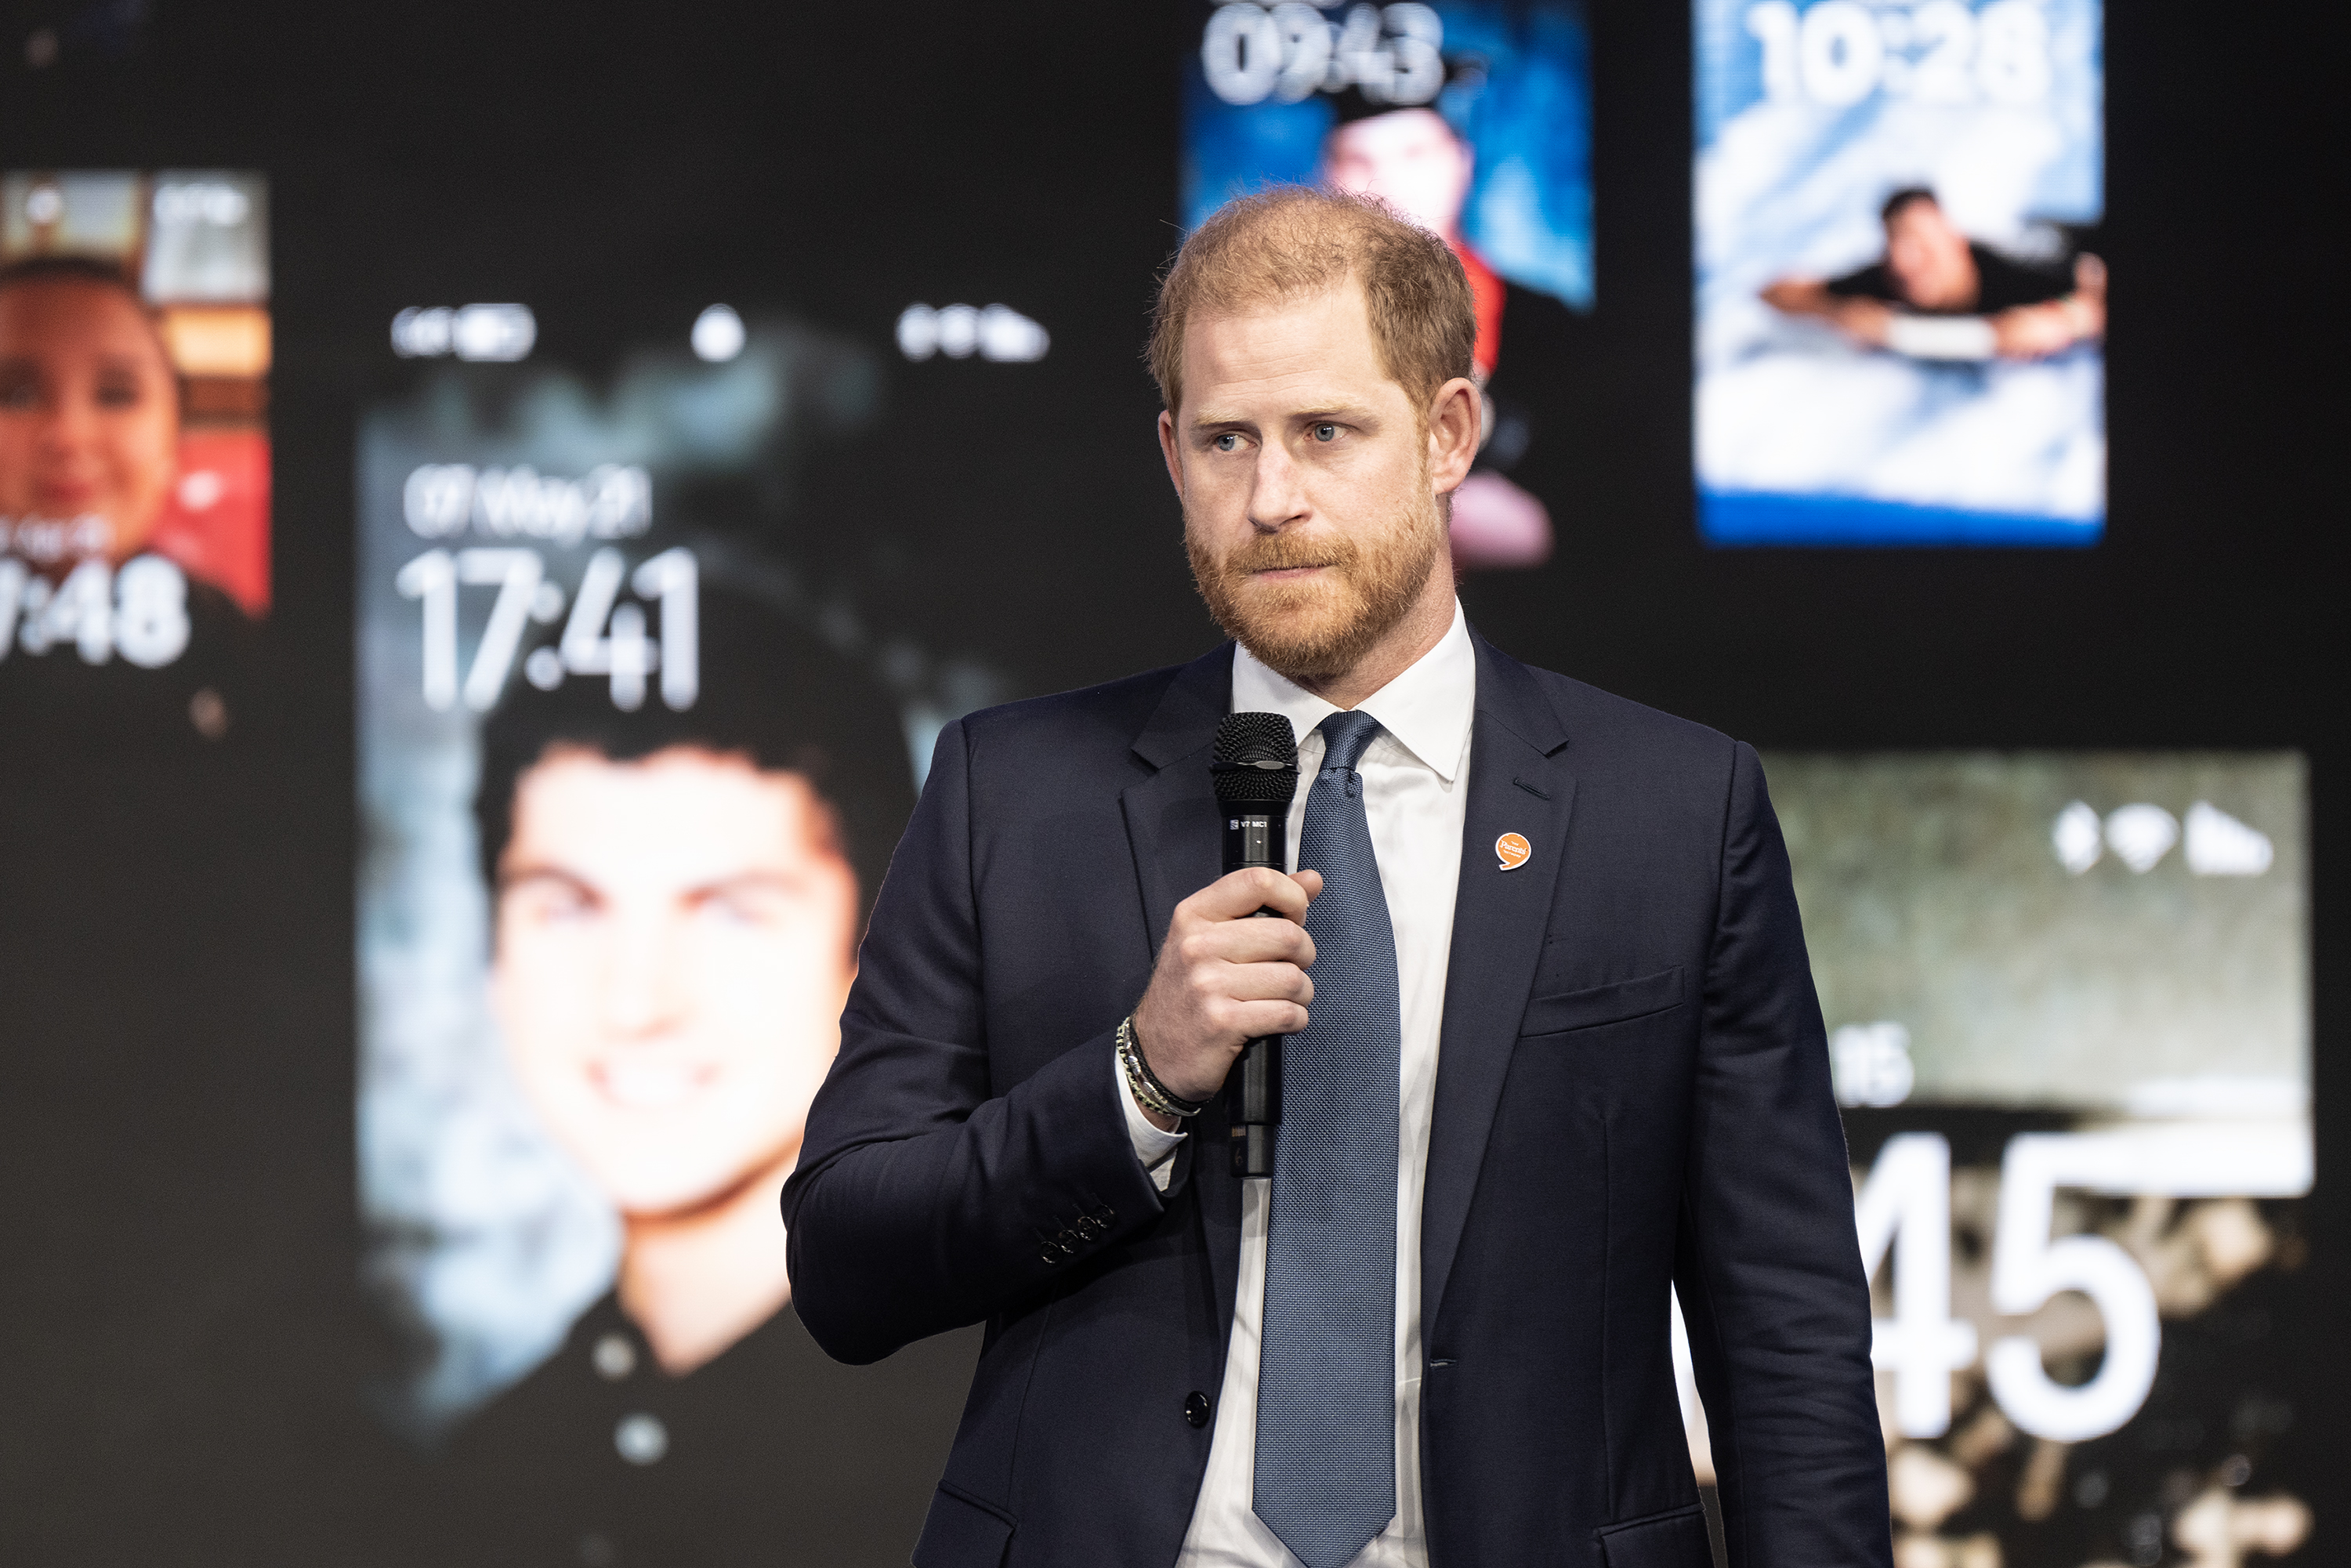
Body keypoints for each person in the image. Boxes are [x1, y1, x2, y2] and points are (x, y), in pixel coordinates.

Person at [784, 187, 1890, 1566]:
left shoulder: (1672, 805)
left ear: (1447, 436)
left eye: (1326, 431)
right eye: (1224, 439)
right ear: (1170, 454)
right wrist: (1137, 1078)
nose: (1273, 499)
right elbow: (846, 1263)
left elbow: (1783, 1319)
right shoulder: (1013, 792)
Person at [421, 589, 974, 1566]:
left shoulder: (1005, 1438)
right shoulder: (472, 1485)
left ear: (879, 950)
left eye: (729, 914)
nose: (636, 1002)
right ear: (493, 955)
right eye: (568, 909)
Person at [1319, 92, 1554, 570]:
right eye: (1358, 159)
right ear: (1328, 175)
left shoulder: (1553, 331)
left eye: (1414, 154)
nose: (1385, 184)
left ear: (1460, 161)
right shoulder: (1287, 333)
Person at [1762, 187, 2106, 361]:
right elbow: (1776, 292)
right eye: (1895, 246)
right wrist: (1836, 312)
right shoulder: (1892, 278)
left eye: (1922, 246)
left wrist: (2065, 318)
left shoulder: (2014, 267)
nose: (1906, 263)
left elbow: (2095, 291)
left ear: (1956, 242)